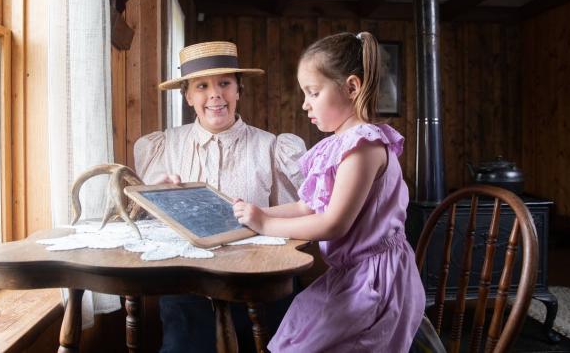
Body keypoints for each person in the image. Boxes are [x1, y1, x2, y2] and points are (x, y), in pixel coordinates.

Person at [233, 32, 426, 352]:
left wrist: (265, 225)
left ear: (351, 87)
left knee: (305, 342)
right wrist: (257, 212)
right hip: (353, 272)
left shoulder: (363, 147)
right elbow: (309, 206)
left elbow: (334, 223)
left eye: (313, 92)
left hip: (377, 281)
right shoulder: (341, 146)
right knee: (297, 327)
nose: (305, 104)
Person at [133, 41, 306, 353]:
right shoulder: (162, 147)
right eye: (202, 86)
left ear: (238, 90)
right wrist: (153, 195)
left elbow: (299, 214)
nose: (215, 94)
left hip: (259, 284)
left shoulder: (272, 147)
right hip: (185, 286)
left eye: (225, 83)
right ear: (188, 96)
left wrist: (262, 220)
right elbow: (137, 224)